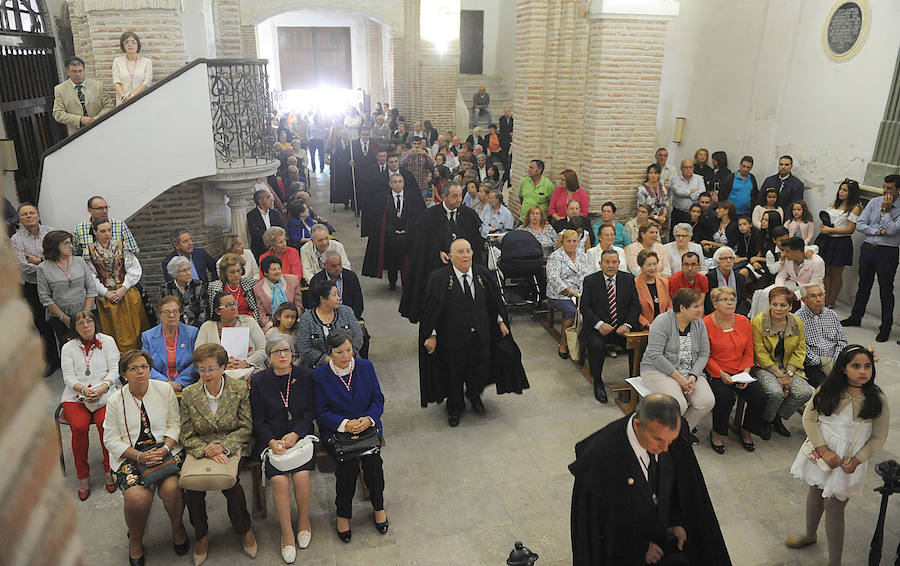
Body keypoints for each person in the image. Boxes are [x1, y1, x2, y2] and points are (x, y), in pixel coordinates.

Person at [569, 393, 731, 566]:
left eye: (670, 441)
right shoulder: (601, 457)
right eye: (658, 440)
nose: (665, 448)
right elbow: (603, 525)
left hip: (661, 538)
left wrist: (674, 521)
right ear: (637, 425)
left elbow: (675, 487)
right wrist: (639, 548)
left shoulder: (667, 437)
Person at [786, 345, 889, 566]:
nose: (863, 371)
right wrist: (823, 450)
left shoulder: (876, 398)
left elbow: (878, 437)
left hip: (850, 460)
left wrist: (858, 459)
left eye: (867, 366)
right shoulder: (828, 389)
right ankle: (810, 534)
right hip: (823, 450)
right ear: (843, 368)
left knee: (834, 507)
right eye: (856, 366)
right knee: (815, 490)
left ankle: (835, 562)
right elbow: (809, 418)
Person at [418, 238, 524, 426]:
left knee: (481, 368)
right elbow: (431, 312)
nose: (465, 255)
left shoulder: (482, 274)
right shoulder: (439, 279)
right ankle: (455, 406)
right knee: (454, 372)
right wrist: (432, 335)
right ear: (450, 257)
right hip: (452, 338)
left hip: (480, 335)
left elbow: (493, 302)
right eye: (460, 252)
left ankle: (474, 394)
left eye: (468, 251)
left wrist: (501, 322)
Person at [103, 349, 188, 565]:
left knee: (172, 489)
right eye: (133, 368)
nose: (140, 371)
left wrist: (166, 448)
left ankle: (177, 526)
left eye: (144, 367)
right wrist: (140, 457)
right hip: (131, 456)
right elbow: (110, 440)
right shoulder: (114, 401)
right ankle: (136, 539)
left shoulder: (164, 390)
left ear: (150, 370)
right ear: (124, 374)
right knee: (138, 498)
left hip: (165, 450)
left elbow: (175, 424)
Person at [179, 343, 256, 565]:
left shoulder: (239, 389)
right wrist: (207, 450)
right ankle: (201, 536)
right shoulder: (190, 393)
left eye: (211, 369)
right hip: (201, 448)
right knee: (192, 489)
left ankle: (244, 530)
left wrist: (223, 446)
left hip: (233, 445)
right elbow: (186, 433)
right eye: (202, 370)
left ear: (223, 367)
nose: (207, 374)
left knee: (232, 486)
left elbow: (246, 427)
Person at [312, 330, 389, 542]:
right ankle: (343, 513)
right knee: (347, 468)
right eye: (339, 352)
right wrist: (345, 425)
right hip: (338, 432)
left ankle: (379, 506)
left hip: (367, 427)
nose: (345, 356)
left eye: (348, 350)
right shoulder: (320, 375)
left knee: (374, 464)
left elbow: (378, 399)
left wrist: (368, 419)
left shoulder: (365, 367)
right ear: (330, 353)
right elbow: (321, 411)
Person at [249, 336, 316, 562]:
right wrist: (271, 441)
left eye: (286, 350)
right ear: (269, 357)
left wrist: (295, 434)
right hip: (271, 439)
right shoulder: (259, 381)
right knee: (279, 481)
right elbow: (258, 419)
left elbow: (310, 411)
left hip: (299, 436)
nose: (283, 355)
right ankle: (286, 532)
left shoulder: (304, 376)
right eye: (277, 352)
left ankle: (304, 521)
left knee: (301, 476)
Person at [400, 181, 484, 322]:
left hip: (463, 268)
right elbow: (420, 244)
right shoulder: (429, 215)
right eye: (454, 196)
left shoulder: (469, 215)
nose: (459, 199)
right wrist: (437, 251)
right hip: (437, 268)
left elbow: (475, 241)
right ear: (444, 196)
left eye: (460, 195)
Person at [641, 288, 713, 443]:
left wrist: (693, 375)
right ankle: (665, 435)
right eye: (695, 306)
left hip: (689, 371)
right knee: (678, 404)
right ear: (682, 307)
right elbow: (655, 355)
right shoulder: (662, 321)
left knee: (706, 401)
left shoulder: (699, 324)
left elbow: (704, 353)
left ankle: (680, 434)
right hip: (658, 370)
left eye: (700, 306)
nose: (700, 310)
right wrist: (680, 378)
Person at [60, 310, 119, 499]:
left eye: (89, 321)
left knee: (105, 425)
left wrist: (102, 388)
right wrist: (84, 390)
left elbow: (115, 370)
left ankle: (110, 471)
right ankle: (83, 476)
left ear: (95, 322)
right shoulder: (68, 348)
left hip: (105, 393)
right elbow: (69, 377)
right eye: (81, 323)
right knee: (79, 426)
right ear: (74, 327)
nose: (86, 326)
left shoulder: (108, 341)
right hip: (76, 395)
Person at [703, 287, 767, 453]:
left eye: (732, 299)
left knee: (759, 396)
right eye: (724, 300)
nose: (730, 303)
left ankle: (746, 429)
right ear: (715, 303)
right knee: (725, 398)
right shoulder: (706, 323)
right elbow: (705, 355)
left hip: (741, 370)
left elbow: (749, 350)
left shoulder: (743, 321)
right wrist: (720, 374)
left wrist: (746, 372)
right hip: (717, 371)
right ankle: (717, 433)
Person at [842, 174, 900, 343]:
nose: (885, 191)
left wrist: (885, 211)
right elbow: (860, 225)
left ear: (898, 190)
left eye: (889, 188)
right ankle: (856, 317)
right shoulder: (874, 202)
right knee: (863, 285)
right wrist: (878, 231)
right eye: (884, 187)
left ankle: (885, 327)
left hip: (887, 252)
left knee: (885, 290)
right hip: (868, 248)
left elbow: (892, 230)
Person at [752, 286, 814, 440]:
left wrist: (790, 373)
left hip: (789, 367)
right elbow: (759, 352)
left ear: (790, 307)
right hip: (765, 367)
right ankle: (766, 420)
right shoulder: (758, 321)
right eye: (774, 304)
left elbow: (800, 350)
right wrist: (779, 374)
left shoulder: (797, 322)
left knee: (804, 392)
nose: (778, 309)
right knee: (775, 392)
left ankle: (777, 417)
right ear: (769, 304)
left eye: (783, 305)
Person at [580, 249, 641, 403]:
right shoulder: (590, 281)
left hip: (622, 328)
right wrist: (599, 324)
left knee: (638, 343)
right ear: (600, 264)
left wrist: (627, 324)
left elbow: (635, 306)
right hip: (598, 328)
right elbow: (585, 308)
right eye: (607, 262)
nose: (611, 265)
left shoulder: (628, 279)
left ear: (619, 263)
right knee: (596, 346)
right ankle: (597, 382)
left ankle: (634, 382)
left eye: (614, 262)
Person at [82, 216, 150, 352]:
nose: (107, 234)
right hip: (105, 296)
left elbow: (134, 269)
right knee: (112, 330)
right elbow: (91, 277)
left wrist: (123, 288)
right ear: (95, 232)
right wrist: (106, 293)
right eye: (103, 231)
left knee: (135, 326)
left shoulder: (122, 245)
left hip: (127, 292)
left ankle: (139, 356)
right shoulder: (89, 251)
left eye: (109, 230)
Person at [12, 203, 60, 374]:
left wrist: (39, 261)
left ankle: (71, 359)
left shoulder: (51, 232)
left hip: (56, 284)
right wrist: (48, 262)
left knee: (63, 321)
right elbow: (23, 267)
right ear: (20, 219)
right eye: (24, 214)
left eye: (31, 213)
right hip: (33, 286)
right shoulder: (16, 239)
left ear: (38, 215)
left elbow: (60, 256)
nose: (29, 216)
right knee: (42, 324)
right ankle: (53, 360)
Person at [361, 171, 426, 289]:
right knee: (392, 260)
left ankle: (406, 282)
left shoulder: (412, 196)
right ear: (390, 184)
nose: (397, 184)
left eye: (400, 181)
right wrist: (392, 231)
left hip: (408, 235)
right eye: (395, 182)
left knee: (407, 260)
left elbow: (418, 216)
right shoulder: (382, 198)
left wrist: (407, 230)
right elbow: (378, 220)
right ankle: (392, 282)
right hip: (389, 236)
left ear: (404, 183)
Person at [37, 230, 97, 354]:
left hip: (87, 312)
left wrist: (85, 314)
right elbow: (44, 297)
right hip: (60, 317)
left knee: (92, 348)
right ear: (54, 246)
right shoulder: (43, 268)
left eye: (71, 243)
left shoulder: (80, 261)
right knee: (70, 350)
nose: (71, 246)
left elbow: (91, 288)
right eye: (66, 243)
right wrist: (64, 318)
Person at [196, 291, 267, 380]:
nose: (234, 308)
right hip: (217, 372)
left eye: (234, 303)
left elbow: (264, 348)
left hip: (249, 370)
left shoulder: (249, 322)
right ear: (218, 311)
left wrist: (246, 363)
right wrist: (220, 366)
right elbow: (199, 355)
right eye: (228, 305)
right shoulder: (207, 327)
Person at [545, 229, 592, 358]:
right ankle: (563, 344)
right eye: (569, 241)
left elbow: (586, 275)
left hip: (579, 292)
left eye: (574, 241)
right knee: (571, 311)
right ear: (562, 242)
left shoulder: (582, 255)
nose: (572, 244)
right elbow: (553, 278)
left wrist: (585, 292)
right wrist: (569, 292)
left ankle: (586, 342)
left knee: (593, 307)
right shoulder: (555, 256)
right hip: (559, 293)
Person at [297, 279, 363, 368]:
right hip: (320, 367)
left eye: (338, 294)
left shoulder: (346, 311)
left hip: (349, 363)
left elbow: (358, 338)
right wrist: (330, 360)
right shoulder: (307, 319)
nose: (339, 298)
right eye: (334, 295)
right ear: (322, 298)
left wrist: (345, 356)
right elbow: (305, 349)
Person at [819, 179, 863, 309]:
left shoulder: (855, 208)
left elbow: (850, 229)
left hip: (841, 242)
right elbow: (826, 220)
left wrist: (831, 230)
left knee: (836, 272)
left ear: (852, 192)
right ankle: (824, 298)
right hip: (827, 240)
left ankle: (832, 300)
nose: (841, 192)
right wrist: (824, 226)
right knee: (825, 270)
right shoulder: (833, 204)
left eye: (845, 190)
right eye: (841, 189)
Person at [141, 296, 198, 392]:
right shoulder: (148, 336)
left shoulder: (192, 333)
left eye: (175, 311)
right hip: (158, 387)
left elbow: (197, 362)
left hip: (188, 386)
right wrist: (166, 383)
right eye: (167, 312)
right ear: (159, 315)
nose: (171, 315)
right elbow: (144, 364)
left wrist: (180, 383)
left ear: (179, 313)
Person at [796, 283, 848, 388]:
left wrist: (836, 359)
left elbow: (842, 340)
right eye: (813, 296)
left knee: (854, 380)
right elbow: (800, 347)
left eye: (821, 295)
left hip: (835, 358)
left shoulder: (831, 314)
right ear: (804, 300)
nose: (819, 299)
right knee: (825, 387)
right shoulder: (797, 319)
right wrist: (820, 361)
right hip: (813, 363)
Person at [52, 56, 113, 136]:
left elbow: (110, 106)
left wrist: (96, 119)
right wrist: (80, 119)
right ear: (68, 72)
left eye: (80, 71)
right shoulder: (60, 89)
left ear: (84, 70)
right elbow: (58, 113)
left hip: (100, 128)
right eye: (74, 72)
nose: (78, 74)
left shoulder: (98, 85)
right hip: (76, 133)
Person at [73, 195, 139, 255]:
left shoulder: (120, 225)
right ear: (89, 210)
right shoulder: (79, 229)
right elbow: (74, 255)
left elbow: (134, 250)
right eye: (100, 208)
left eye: (106, 207)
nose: (105, 211)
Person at [253, 256, 303, 332]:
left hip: (293, 321)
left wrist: (292, 319)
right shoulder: (258, 288)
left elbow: (299, 305)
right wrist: (272, 324)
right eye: (273, 270)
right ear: (265, 273)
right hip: (272, 324)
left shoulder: (293, 280)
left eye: (279, 269)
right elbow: (261, 313)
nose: (277, 272)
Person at [207, 253, 260, 324]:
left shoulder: (250, 285)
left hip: (248, 322)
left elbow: (256, 310)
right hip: (225, 323)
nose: (236, 275)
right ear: (225, 273)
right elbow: (213, 314)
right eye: (232, 272)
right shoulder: (214, 287)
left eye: (238, 270)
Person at [159, 256, 209, 327]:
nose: (188, 273)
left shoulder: (199, 285)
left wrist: (195, 329)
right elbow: (165, 312)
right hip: (175, 328)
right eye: (183, 271)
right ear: (175, 274)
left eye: (189, 269)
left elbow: (204, 311)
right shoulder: (166, 289)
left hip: (198, 327)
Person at [706, 246, 749, 315]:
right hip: (716, 313)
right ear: (717, 261)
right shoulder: (710, 277)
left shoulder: (740, 277)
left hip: (736, 313)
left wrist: (737, 315)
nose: (728, 261)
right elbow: (708, 301)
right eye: (725, 258)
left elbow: (742, 300)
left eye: (731, 258)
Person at [635, 250, 672, 330]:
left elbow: (669, 306)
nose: (653, 268)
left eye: (655, 264)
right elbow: (633, 310)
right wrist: (647, 325)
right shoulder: (634, 284)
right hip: (643, 329)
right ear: (641, 266)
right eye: (649, 265)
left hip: (664, 327)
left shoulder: (664, 282)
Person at [112, 31, 152, 105]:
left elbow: (147, 82)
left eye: (133, 41)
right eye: (126, 42)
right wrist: (123, 97)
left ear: (137, 44)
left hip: (141, 100)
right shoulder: (117, 61)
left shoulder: (147, 62)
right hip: (122, 101)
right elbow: (116, 82)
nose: (130, 44)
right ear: (123, 45)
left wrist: (133, 95)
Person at [670, 159, 706, 235]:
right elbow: (679, 192)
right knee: (676, 235)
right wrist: (695, 192)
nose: (688, 169)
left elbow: (702, 192)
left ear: (693, 168)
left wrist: (688, 194)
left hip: (694, 215)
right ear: (681, 169)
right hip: (678, 213)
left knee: (692, 235)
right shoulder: (675, 179)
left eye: (690, 167)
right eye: (686, 167)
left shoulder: (699, 178)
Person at [247, 190, 286, 259]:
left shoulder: (275, 213)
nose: (271, 200)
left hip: (278, 248)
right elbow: (255, 234)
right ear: (260, 201)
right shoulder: (251, 215)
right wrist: (271, 237)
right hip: (261, 249)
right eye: (268, 197)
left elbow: (282, 229)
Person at [637, 164, 669, 232]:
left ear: (659, 174)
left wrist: (663, 216)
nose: (653, 175)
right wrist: (656, 218)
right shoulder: (642, 189)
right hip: (648, 220)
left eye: (656, 173)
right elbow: (642, 207)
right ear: (648, 174)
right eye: (651, 173)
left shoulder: (662, 187)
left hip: (662, 220)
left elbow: (666, 203)